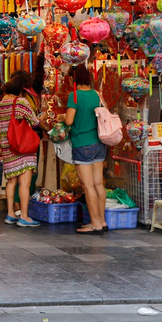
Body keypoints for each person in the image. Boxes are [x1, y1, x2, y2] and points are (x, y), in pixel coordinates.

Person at [65, 64, 108, 234]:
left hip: (82, 143)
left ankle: (95, 223)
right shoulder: (96, 94)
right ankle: (102, 221)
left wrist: (63, 118)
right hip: (98, 143)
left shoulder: (74, 96)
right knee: (98, 183)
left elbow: (69, 121)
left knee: (88, 185)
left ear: (73, 79)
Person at [0, 71, 42, 228]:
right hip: (22, 146)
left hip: (7, 145)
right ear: (22, 88)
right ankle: (24, 216)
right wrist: (42, 117)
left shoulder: (2, 103)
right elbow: (34, 122)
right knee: (25, 182)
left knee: (11, 181)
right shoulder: (21, 102)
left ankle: (10, 213)